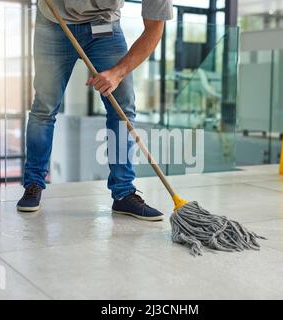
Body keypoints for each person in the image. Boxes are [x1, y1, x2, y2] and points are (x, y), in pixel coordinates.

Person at [17, 0, 173, 221]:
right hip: (54, 24)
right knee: (44, 107)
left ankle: (124, 194)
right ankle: (33, 184)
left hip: (103, 26)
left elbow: (154, 28)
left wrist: (118, 73)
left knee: (122, 110)